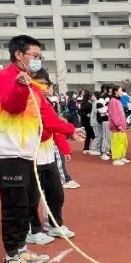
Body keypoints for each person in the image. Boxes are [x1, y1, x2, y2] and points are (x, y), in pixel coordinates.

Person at [0, 35, 54, 263]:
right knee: (14, 205)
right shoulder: (5, 77)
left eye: (39, 57)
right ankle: (11, 256)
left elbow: (45, 114)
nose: (37, 61)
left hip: (26, 152)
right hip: (8, 152)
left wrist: (69, 130)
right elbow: (12, 106)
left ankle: (21, 248)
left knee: (27, 203)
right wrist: (19, 85)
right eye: (34, 56)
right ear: (19, 54)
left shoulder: (32, 84)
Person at [25, 67, 81, 243]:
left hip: (48, 152)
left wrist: (65, 148)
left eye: (44, 84)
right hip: (31, 151)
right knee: (33, 194)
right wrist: (70, 130)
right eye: (39, 83)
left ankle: (54, 224)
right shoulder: (28, 100)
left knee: (55, 192)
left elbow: (54, 125)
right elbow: (48, 124)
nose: (42, 87)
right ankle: (32, 230)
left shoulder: (46, 102)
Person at [108, 85, 129, 165]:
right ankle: (116, 158)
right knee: (117, 143)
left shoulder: (118, 101)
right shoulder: (113, 101)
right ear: (115, 91)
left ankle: (121, 156)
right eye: (120, 90)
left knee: (123, 142)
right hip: (117, 127)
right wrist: (118, 125)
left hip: (121, 126)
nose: (122, 92)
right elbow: (114, 115)